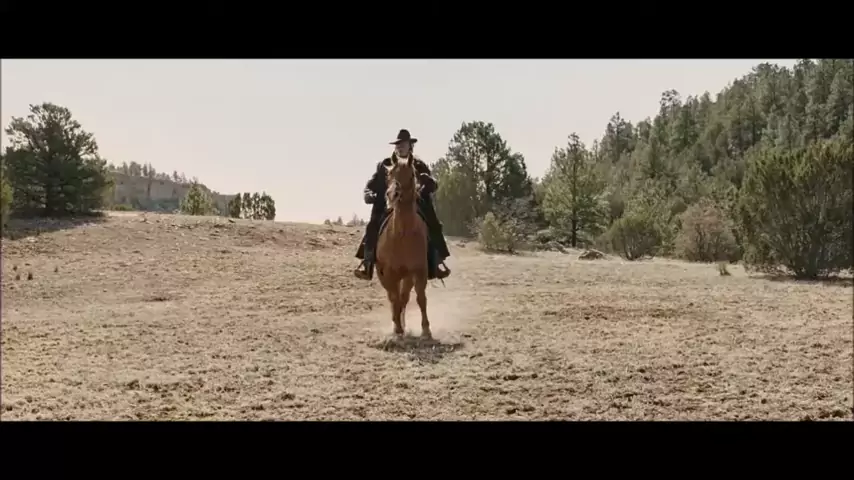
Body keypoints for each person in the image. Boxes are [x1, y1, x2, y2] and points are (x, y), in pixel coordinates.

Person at [354, 129, 451, 281]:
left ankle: (437, 262)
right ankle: (367, 263)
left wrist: (428, 183)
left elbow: (433, 184)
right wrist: (368, 193)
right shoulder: (385, 165)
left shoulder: (419, 165)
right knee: (372, 226)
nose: (400, 147)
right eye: (398, 145)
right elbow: (371, 184)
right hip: (388, 204)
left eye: (403, 144)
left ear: (410, 146)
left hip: (415, 204)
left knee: (433, 224)